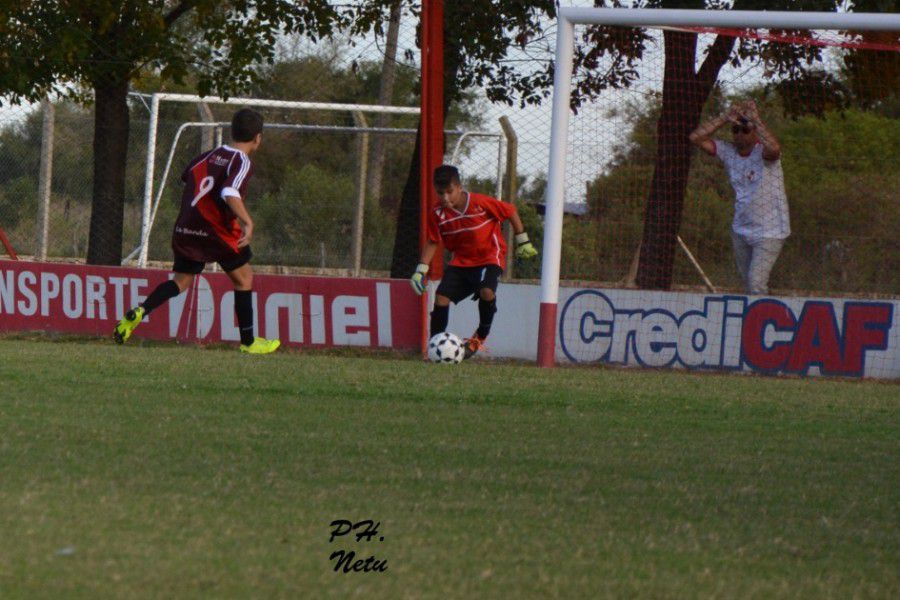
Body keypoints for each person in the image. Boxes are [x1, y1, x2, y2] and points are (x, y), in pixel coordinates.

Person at [114, 108, 280, 354]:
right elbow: (229, 192)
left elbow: (187, 178)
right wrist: (248, 222)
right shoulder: (242, 161)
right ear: (258, 138)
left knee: (180, 282)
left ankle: (140, 311)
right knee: (244, 279)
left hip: (186, 227)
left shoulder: (209, 155)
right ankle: (249, 342)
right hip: (215, 231)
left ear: (231, 131)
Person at [410, 165, 538, 359]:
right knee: (441, 298)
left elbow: (510, 210)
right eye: (440, 193)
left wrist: (523, 241)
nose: (445, 197)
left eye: (449, 192)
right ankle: (436, 347)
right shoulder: (437, 213)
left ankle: (478, 339)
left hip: (490, 257)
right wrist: (421, 270)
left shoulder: (479, 203)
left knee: (487, 291)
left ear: (459, 187)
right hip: (461, 261)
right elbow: (433, 240)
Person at [689, 100, 790, 295]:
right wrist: (724, 118)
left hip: (770, 230)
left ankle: (762, 320)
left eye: (745, 130)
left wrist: (756, 120)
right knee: (748, 285)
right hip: (741, 229)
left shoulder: (763, 153)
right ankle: (757, 315)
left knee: (756, 283)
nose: (739, 135)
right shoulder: (728, 152)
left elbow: (775, 149)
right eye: (735, 130)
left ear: (755, 133)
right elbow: (696, 137)